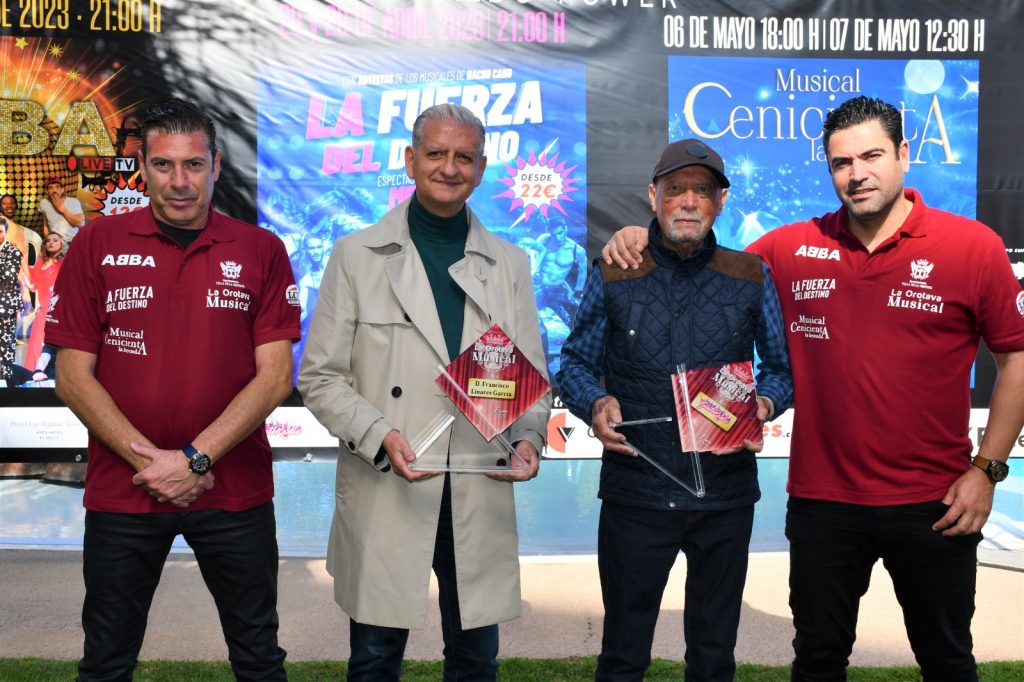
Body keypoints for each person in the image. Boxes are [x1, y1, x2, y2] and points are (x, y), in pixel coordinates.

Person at [601, 97, 1024, 681]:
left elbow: (1016, 358)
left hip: (935, 500)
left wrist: (987, 470)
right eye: (841, 163)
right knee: (818, 663)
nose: (857, 174)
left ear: (904, 154)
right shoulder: (788, 249)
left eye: (871, 156)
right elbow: (697, 258)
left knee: (948, 662)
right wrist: (638, 237)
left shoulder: (971, 246)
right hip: (823, 505)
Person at [45, 97, 300, 681]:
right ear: (142, 167)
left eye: (193, 164)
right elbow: (73, 377)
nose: (179, 181)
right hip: (125, 489)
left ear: (216, 165)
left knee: (259, 658)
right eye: (163, 165)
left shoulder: (260, 250)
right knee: (105, 661)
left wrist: (194, 460)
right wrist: (157, 466)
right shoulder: (96, 244)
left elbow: (275, 378)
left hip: (233, 490)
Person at [297, 103, 550, 681]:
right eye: (436, 153)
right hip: (388, 481)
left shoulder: (510, 263)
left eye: (464, 157)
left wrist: (530, 437)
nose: (449, 168)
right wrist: (379, 435)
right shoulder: (356, 255)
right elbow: (320, 376)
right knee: (375, 659)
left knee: (476, 661)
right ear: (410, 161)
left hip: (478, 484)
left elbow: (531, 378)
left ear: (481, 168)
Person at [557, 138, 793, 681]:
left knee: (713, 657)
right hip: (636, 493)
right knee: (623, 655)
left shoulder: (751, 275)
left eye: (702, 190)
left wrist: (762, 404)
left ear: (721, 201)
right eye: (675, 189)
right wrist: (595, 402)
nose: (688, 201)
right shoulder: (614, 270)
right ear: (653, 196)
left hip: (725, 497)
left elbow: (782, 370)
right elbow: (573, 364)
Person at [25, 232, 66, 377]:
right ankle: (33, 377)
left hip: (58, 313)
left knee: (51, 348)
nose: (51, 242)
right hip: (42, 312)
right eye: (48, 240)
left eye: (55, 240)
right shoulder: (40, 262)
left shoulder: (65, 264)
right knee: (36, 347)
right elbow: (33, 285)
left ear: (61, 244)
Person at [38, 177, 86, 242]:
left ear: (62, 189)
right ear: (46, 191)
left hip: (73, 242)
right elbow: (45, 226)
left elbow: (81, 224)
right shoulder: (43, 203)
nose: (54, 190)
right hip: (56, 244)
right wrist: (48, 241)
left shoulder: (73, 201)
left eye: (57, 187)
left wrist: (62, 209)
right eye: (50, 188)